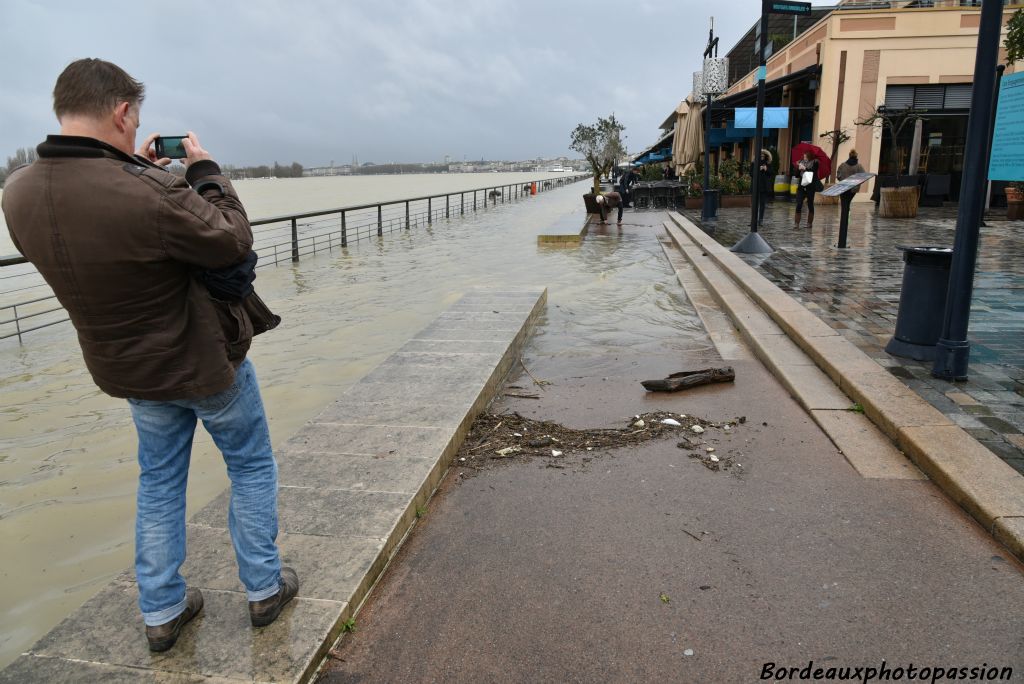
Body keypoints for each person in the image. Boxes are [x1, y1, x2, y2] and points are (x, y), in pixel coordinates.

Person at [1, 59, 298, 652]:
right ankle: (264, 588)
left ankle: (162, 609)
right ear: (123, 111)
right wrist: (204, 170)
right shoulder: (150, 191)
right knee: (250, 465)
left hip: (127, 369)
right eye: (134, 121)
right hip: (206, 362)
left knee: (159, 481)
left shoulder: (17, 192)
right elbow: (231, 238)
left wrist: (143, 172)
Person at [794, 150, 821, 229]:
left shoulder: (815, 162)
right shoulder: (801, 162)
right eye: (804, 156)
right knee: (799, 203)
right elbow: (796, 175)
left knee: (810, 204)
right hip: (801, 186)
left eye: (806, 157)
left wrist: (805, 168)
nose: (804, 158)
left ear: (810, 156)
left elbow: (813, 173)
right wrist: (799, 168)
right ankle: (796, 224)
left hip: (810, 186)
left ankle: (809, 223)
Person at [753, 149, 773, 227]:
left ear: (765, 156)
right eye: (760, 155)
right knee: (755, 204)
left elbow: (771, 173)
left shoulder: (768, 164)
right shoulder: (754, 163)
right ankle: (753, 220)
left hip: (764, 187)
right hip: (756, 186)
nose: (761, 157)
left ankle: (761, 220)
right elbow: (751, 173)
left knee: (762, 204)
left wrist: (766, 169)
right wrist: (758, 169)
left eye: (763, 155)